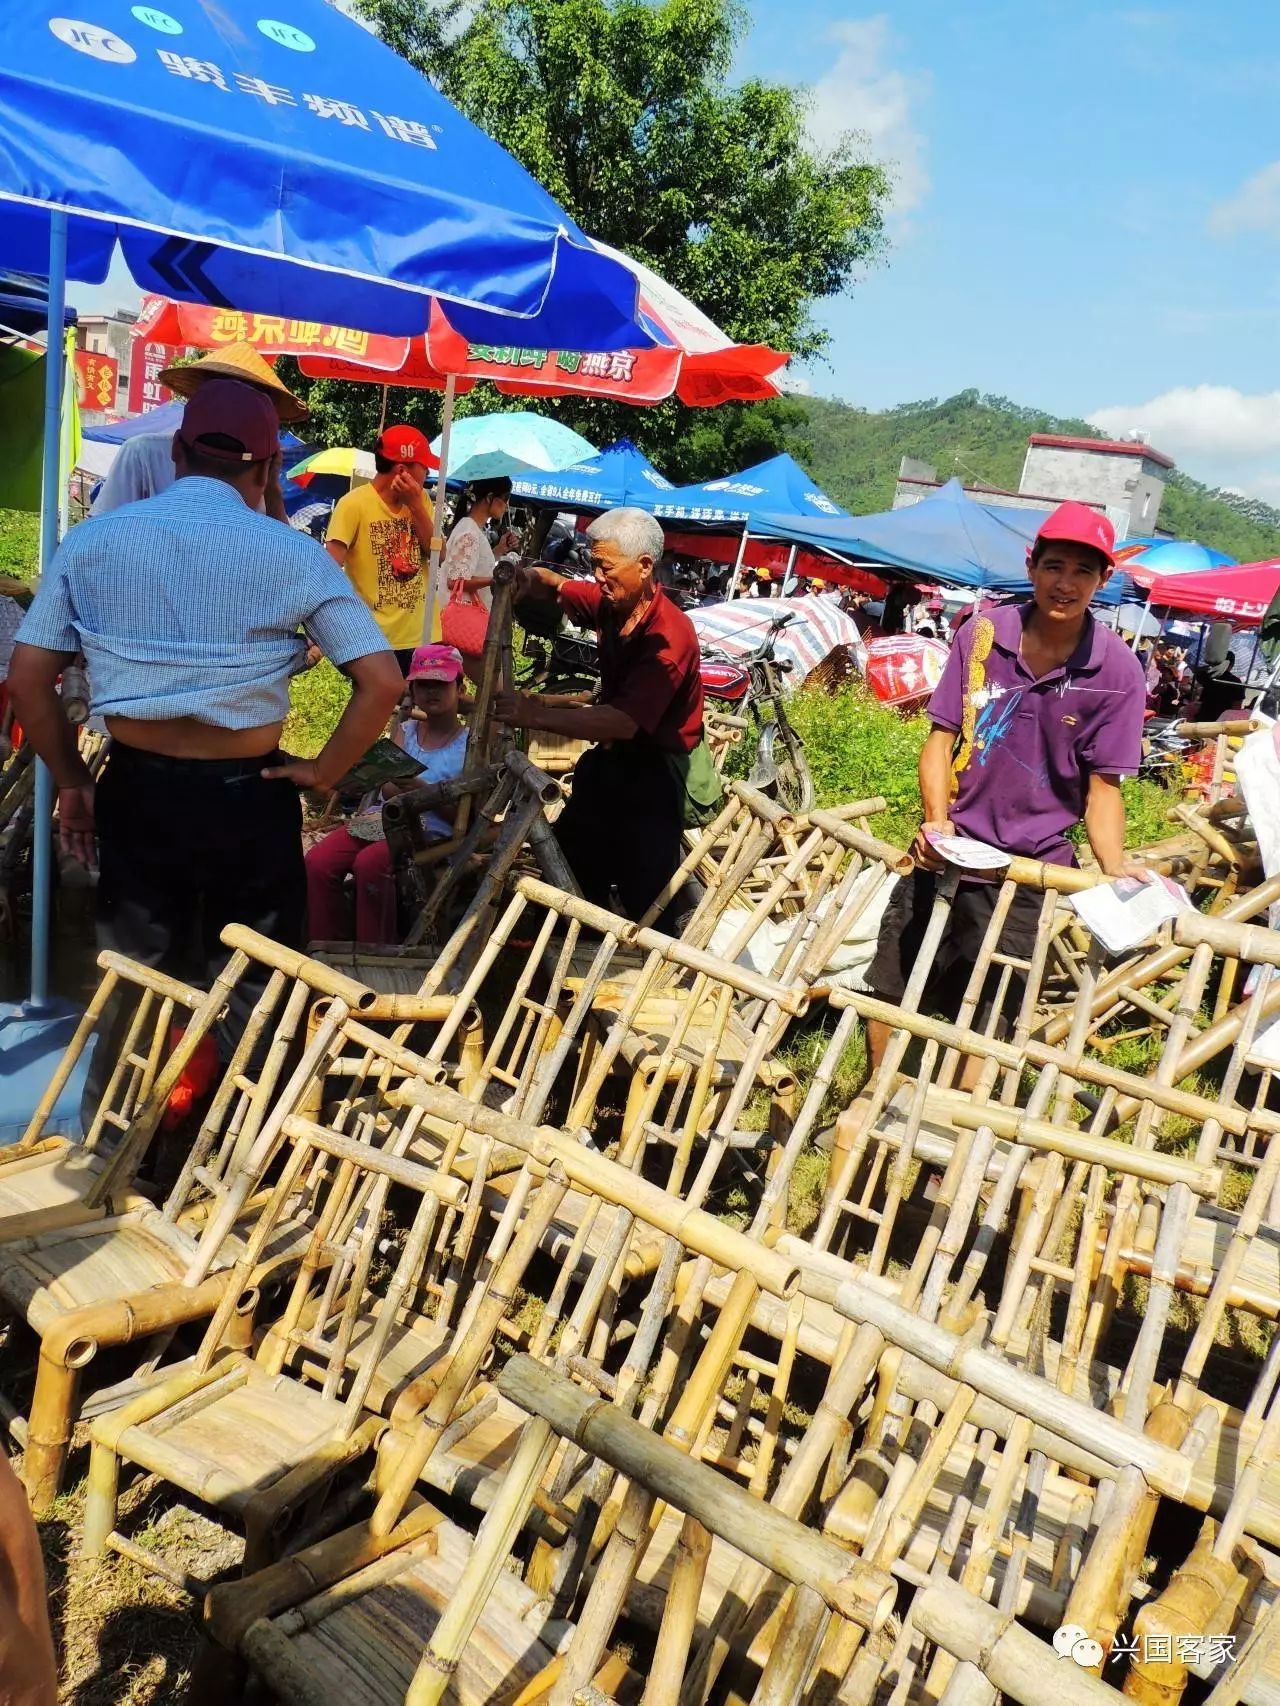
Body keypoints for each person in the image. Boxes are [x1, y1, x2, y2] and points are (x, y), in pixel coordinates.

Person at [8, 379, 402, 1008]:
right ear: (271, 465)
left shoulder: (93, 541)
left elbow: (29, 680)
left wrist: (75, 782)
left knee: (134, 982)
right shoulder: (296, 555)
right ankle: (242, 1103)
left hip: (137, 792)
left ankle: (125, 1104)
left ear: (176, 454)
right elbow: (382, 682)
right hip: (250, 796)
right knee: (252, 988)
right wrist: (325, 772)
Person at [863, 501, 1147, 1090]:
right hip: (950, 847)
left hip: (1030, 867)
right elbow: (941, 741)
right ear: (1032, 565)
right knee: (891, 980)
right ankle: (876, 1091)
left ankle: (953, 1133)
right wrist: (936, 822)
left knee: (994, 1011)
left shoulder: (1116, 672)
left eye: (1083, 572)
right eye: (1054, 566)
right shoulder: (985, 634)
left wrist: (1114, 864)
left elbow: (1103, 788)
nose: (1065, 584)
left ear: (1102, 580)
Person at [493, 507, 712, 923]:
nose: (596, 575)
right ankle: (573, 938)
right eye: (593, 565)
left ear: (644, 566)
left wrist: (532, 715)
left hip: (655, 777)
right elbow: (557, 586)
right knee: (572, 858)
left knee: (646, 892)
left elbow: (621, 721)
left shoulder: (670, 635)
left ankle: (654, 966)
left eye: (604, 566)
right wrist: (526, 578)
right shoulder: (613, 602)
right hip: (611, 763)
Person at [306, 643, 469, 944]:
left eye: (441, 685)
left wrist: (421, 792)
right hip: (381, 821)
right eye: (424, 685)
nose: (431, 692)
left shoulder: (469, 744)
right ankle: (326, 947)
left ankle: (374, 951)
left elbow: (466, 815)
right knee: (318, 862)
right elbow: (385, 787)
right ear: (414, 690)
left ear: (460, 688)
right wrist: (391, 781)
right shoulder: (406, 730)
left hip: (432, 832)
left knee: (370, 864)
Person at [91, 340, 307, 521]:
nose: (234, 402)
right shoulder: (142, 453)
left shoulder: (258, 467)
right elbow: (102, 528)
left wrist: (271, 488)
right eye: (224, 391)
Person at [326, 424, 437, 672]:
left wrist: (415, 506)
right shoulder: (353, 504)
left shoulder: (421, 502)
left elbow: (438, 554)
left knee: (423, 705)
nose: (428, 472)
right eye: (423, 466)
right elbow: (329, 567)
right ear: (402, 470)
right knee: (382, 704)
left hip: (420, 632)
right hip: (373, 638)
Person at [441, 477, 518, 679]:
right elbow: (455, 581)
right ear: (490, 498)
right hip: (464, 623)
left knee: (493, 690)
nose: (507, 505)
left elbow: (475, 567)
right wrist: (496, 581)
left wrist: (500, 549)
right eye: (505, 498)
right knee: (497, 690)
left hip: (467, 620)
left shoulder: (472, 528)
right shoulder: (470, 532)